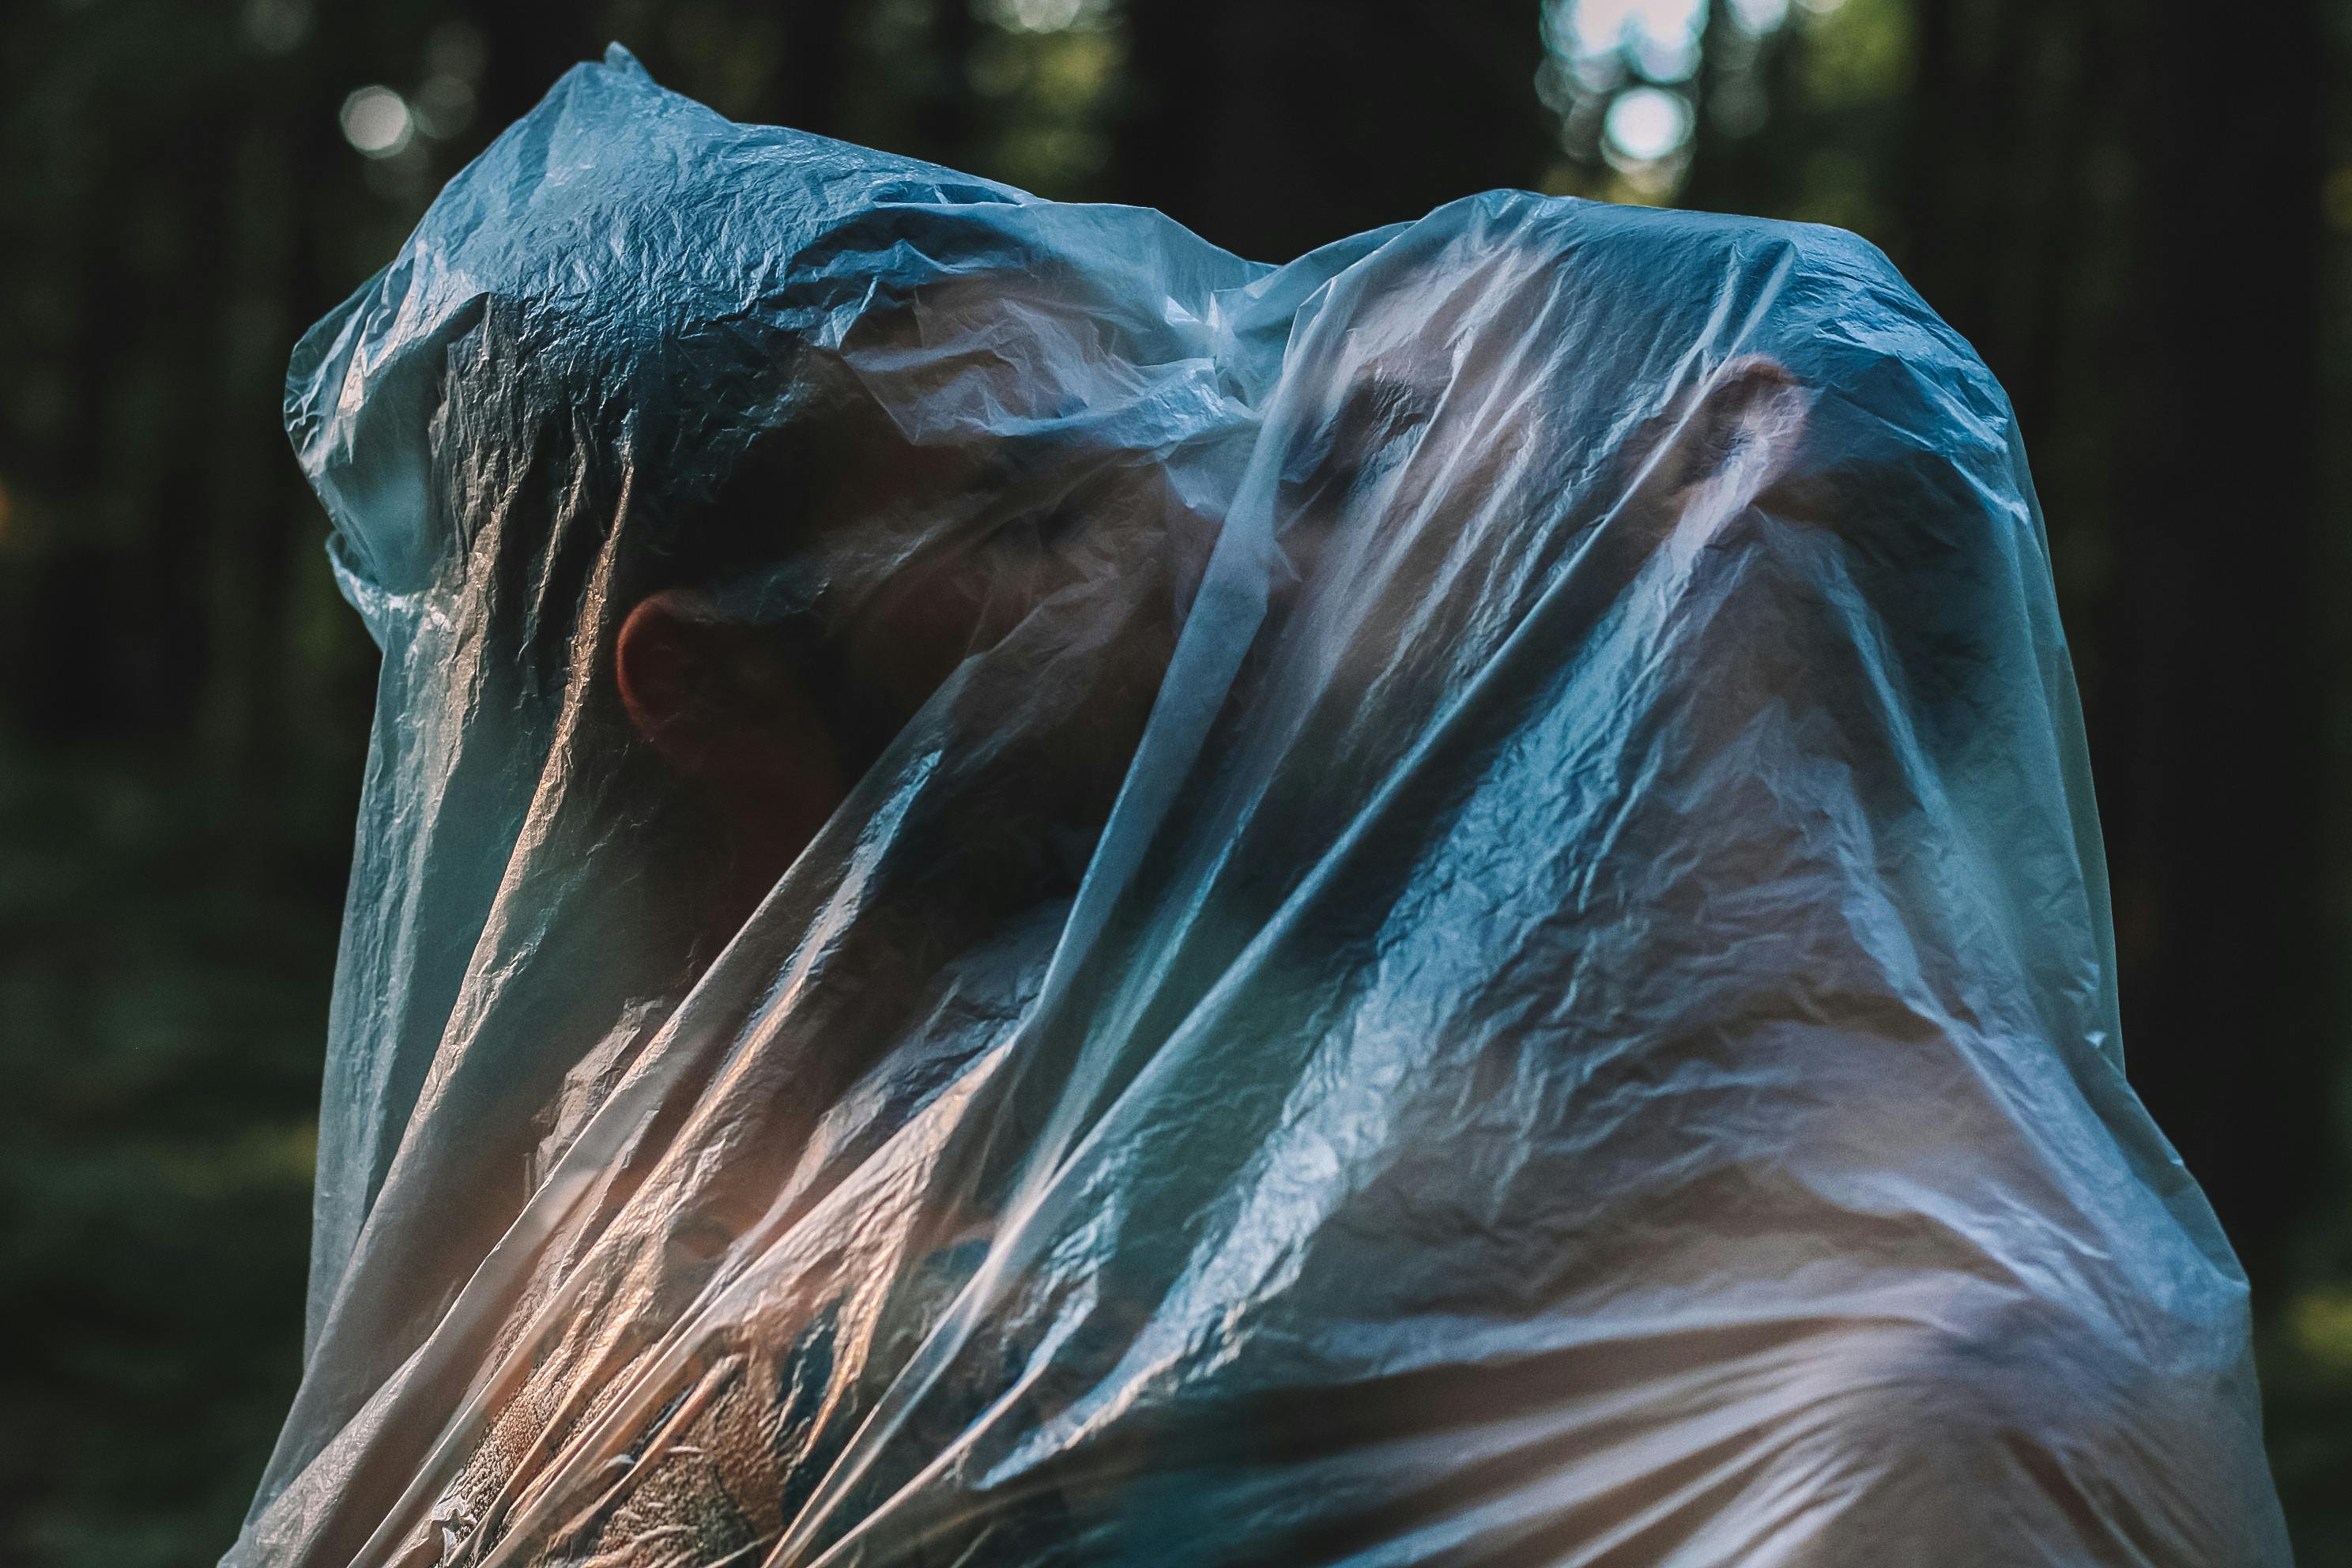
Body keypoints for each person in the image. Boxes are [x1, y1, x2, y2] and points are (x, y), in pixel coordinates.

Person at [225, 48, 2291, 1568]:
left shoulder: (1931, 1405)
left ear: (1706, 520)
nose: (1230, 552)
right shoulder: (1272, 1235)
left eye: (1343, 454)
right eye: (1089, 485)